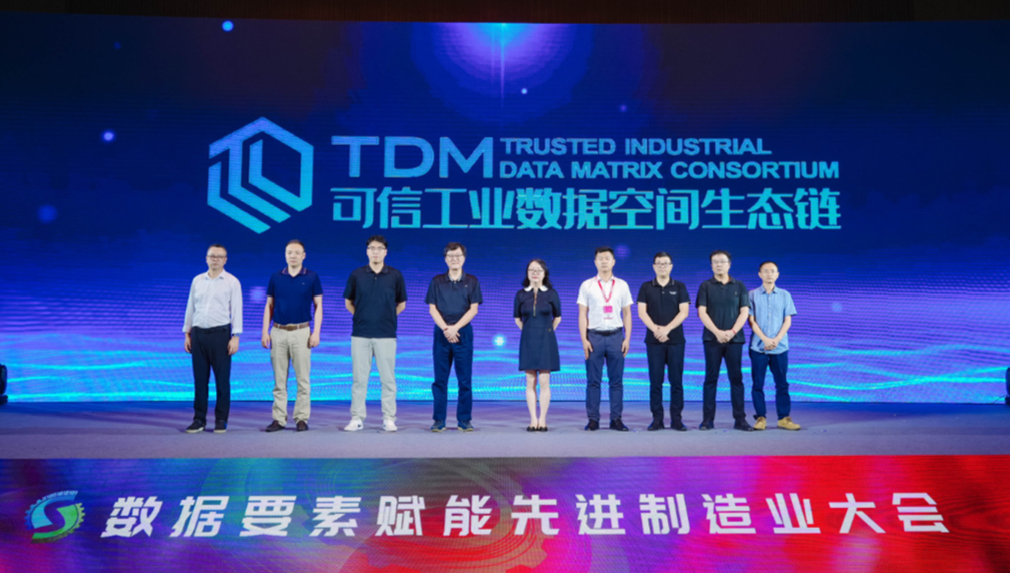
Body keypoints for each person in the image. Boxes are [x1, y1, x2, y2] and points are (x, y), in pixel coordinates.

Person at [343, 235, 407, 433]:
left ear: (385, 252)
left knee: (388, 380)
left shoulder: (395, 275)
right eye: (372, 248)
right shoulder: (357, 274)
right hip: (360, 334)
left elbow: (401, 304)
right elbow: (348, 302)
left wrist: (386, 317)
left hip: (386, 334)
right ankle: (357, 418)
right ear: (367, 251)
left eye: (380, 248)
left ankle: (389, 418)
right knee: (359, 380)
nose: (376, 252)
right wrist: (362, 317)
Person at [261, 240, 322, 433]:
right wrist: (265, 331)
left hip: (302, 332)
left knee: (303, 379)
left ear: (304, 255)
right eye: (289, 252)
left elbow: (318, 306)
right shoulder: (276, 277)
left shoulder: (312, 277)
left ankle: (301, 418)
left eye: (297, 252)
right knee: (279, 380)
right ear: (285, 255)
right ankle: (278, 419)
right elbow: (269, 305)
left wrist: (316, 332)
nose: (292, 256)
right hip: (278, 332)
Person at [182, 244, 242, 434]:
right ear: (206, 258)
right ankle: (199, 419)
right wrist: (187, 333)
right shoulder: (197, 280)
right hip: (198, 334)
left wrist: (236, 336)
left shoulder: (232, 282)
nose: (215, 259)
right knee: (200, 381)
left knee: (222, 381)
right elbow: (191, 307)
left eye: (219, 256)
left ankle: (221, 419)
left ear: (225, 260)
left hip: (220, 335)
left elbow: (237, 309)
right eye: (212, 256)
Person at [426, 242, 483, 432]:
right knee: (440, 380)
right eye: (450, 256)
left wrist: (455, 328)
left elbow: (473, 309)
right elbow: (432, 308)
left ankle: (464, 420)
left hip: (463, 333)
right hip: (441, 334)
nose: (454, 259)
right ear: (445, 259)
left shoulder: (472, 281)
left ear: (464, 258)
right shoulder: (437, 281)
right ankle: (438, 420)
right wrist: (446, 329)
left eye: (458, 256)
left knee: (464, 380)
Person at [578, 247, 634, 432]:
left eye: (607, 258)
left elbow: (627, 313)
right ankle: (593, 420)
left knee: (616, 382)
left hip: (616, 336)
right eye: (600, 258)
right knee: (593, 381)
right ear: (595, 262)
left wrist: (627, 338)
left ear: (613, 262)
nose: (604, 261)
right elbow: (582, 314)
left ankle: (616, 419)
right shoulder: (587, 285)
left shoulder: (622, 285)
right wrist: (584, 339)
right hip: (594, 336)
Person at [696, 250, 751, 431]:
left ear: (729, 264)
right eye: (715, 262)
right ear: (711, 265)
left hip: (735, 340)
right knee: (711, 378)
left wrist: (732, 332)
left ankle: (740, 419)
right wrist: (717, 332)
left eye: (722, 261)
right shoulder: (705, 286)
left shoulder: (739, 285)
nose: (719, 264)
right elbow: (702, 312)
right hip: (712, 339)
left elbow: (744, 312)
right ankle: (707, 420)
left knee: (736, 378)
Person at [636, 252, 691, 431]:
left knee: (676, 382)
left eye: (665, 263)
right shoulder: (646, 287)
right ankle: (657, 420)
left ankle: (677, 420)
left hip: (676, 341)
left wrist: (666, 329)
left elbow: (684, 312)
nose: (662, 266)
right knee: (655, 382)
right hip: (654, 341)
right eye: (659, 263)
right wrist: (656, 330)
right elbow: (642, 312)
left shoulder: (680, 286)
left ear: (671, 266)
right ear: (654, 266)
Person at [749, 261, 801, 431]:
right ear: (759, 274)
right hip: (758, 347)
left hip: (780, 347)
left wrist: (777, 339)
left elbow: (788, 320)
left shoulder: (785, 295)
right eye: (766, 271)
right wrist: (765, 339)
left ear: (777, 274)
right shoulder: (752, 295)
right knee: (758, 384)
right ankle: (760, 418)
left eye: (772, 271)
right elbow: (751, 320)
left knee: (782, 383)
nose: (769, 274)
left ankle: (784, 418)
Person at [514, 259, 562, 432]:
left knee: (544, 381)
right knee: (530, 381)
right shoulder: (521, 294)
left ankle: (543, 419)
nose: (535, 273)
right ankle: (533, 419)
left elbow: (557, 317)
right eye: (531, 270)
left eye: (538, 270)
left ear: (544, 273)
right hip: (528, 341)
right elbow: (517, 319)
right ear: (527, 273)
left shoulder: (551, 294)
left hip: (546, 340)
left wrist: (547, 331)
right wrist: (529, 331)